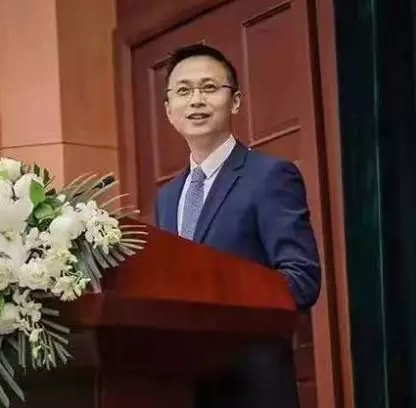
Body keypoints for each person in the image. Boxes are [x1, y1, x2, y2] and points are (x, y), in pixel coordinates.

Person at [153, 43, 322, 408]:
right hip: (184, 389)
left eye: (209, 88)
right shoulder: (167, 199)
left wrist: (215, 301)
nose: (196, 100)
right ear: (168, 111)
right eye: (183, 91)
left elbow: (302, 279)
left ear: (235, 102)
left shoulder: (270, 177)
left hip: (253, 388)